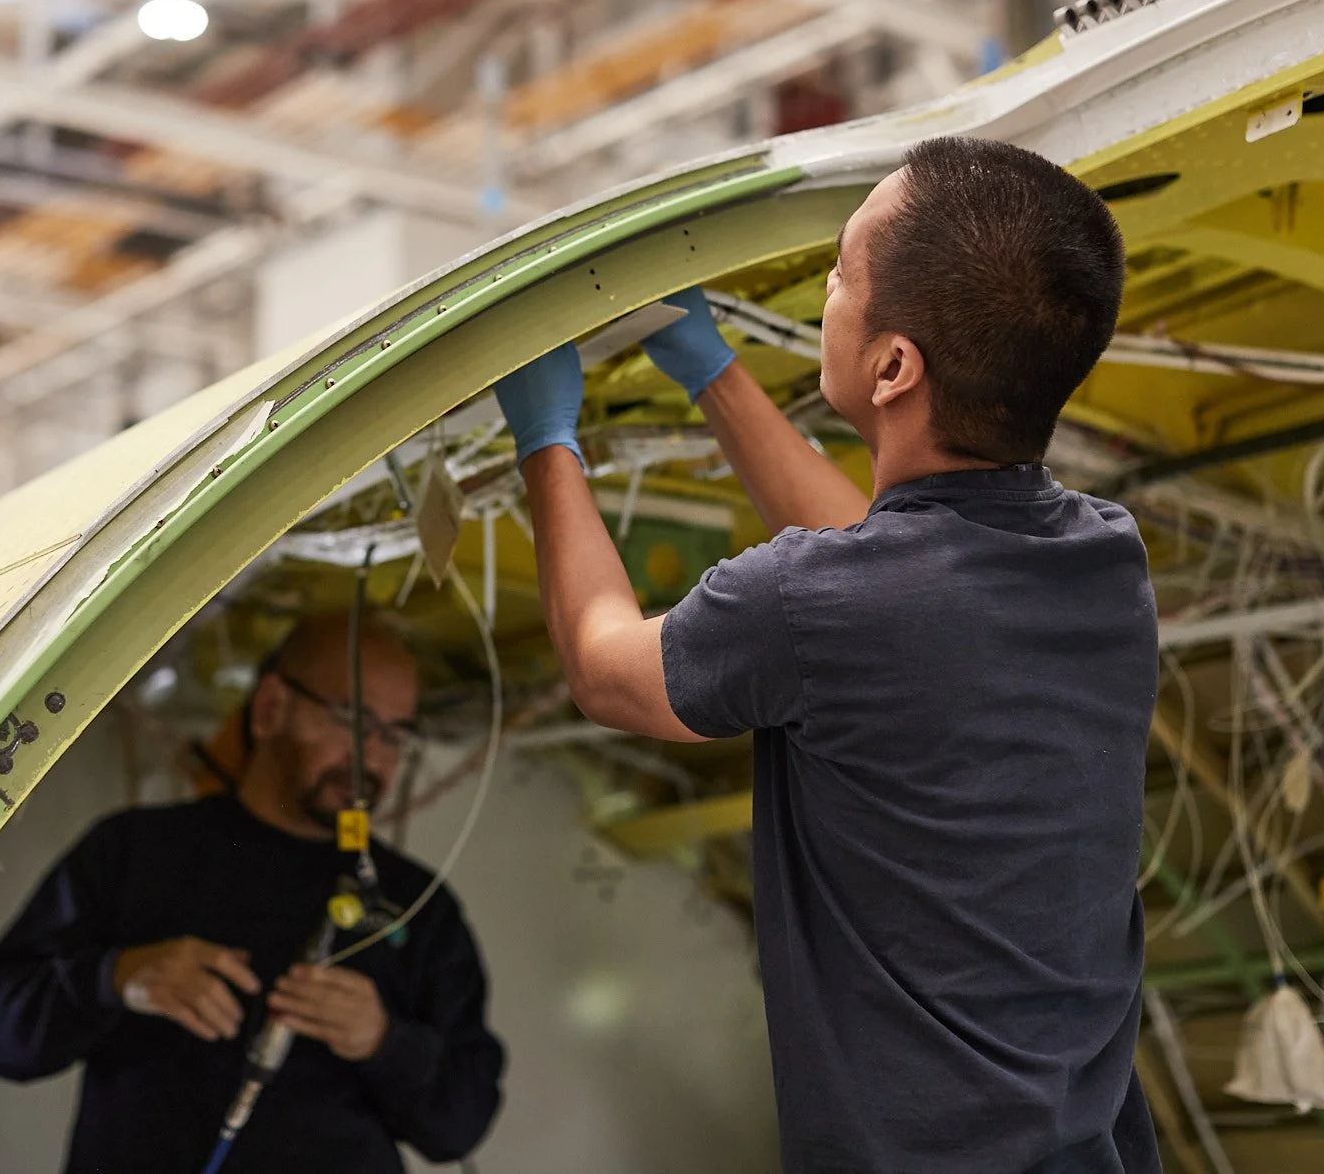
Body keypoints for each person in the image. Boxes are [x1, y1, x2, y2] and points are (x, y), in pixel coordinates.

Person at [493, 137, 1157, 1174]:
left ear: (893, 365)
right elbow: (879, 569)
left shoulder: (818, 604)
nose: (826, 294)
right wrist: (711, 375)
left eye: (841, 275)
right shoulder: (1102, 560)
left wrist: (545, 437)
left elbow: (604, 667)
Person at [0, 614, 505, 1174]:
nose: (372, 758)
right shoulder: (137, 852)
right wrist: (118, 978)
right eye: (352, 720)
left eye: (395, 735)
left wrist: (384, 1042)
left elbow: (461, 1126)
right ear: (272, 706)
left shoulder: (418, 905)